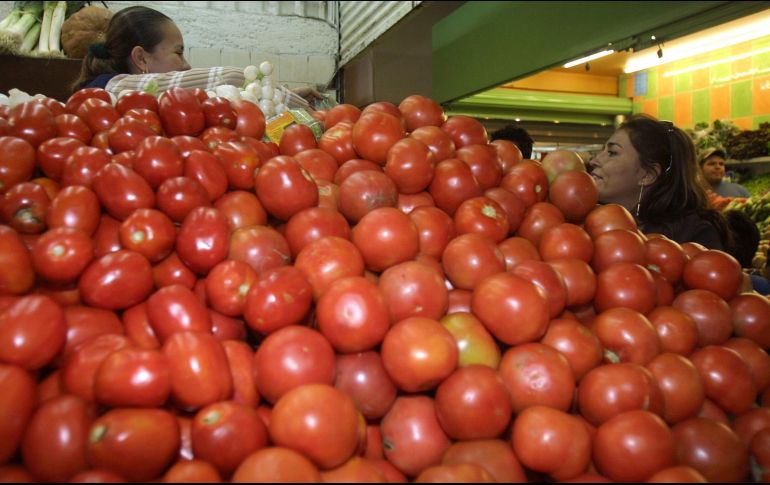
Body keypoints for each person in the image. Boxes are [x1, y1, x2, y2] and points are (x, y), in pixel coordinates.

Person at [70, 6, 322, 104]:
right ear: (141, 58)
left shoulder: (140, 93)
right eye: (178, 52)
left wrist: (284, 91)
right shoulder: (112, 87)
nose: (186, 64)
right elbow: (232, 79)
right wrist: (296, 103)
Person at [588, 114, 732, 250]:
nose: (594, 161)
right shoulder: (587, 219)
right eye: (602, 150)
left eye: (612, 153)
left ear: (648, 175)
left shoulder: (696, 236)